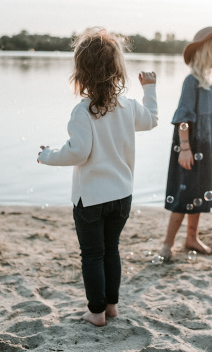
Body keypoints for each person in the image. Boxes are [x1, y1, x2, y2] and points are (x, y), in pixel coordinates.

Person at [37, 27, 158, 327]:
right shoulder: (128, 107)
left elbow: (78, 153)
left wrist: (47, 155)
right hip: (122, 196)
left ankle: (96, 312)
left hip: (90, 198)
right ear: (118, 70)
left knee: (92, 254)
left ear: (81, 74)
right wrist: (150, 89)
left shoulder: (83, 111)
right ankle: (112, 306)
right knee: (111, 250)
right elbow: (153, 119)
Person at [159, 26, 212, 261]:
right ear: (202, 52)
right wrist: (185, 148)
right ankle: (167, 244)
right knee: (183, 197)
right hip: (191, 147)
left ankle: (192, 238)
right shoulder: (191, 81)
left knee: (200, 196)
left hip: (208, 147)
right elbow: (183, 118)